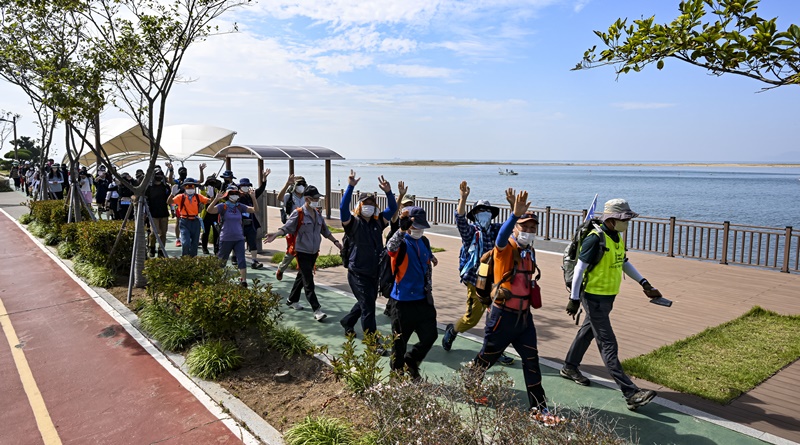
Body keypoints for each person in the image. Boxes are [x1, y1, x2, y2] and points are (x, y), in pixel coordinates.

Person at [561, 198, 659, 411]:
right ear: (612, 219)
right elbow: (579, 269)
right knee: (608, 344)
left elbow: (622, 261)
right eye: (625, 219)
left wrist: (644, 283)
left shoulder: (616, 237)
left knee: (587, 331)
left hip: (607, 298)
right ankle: (631, 393)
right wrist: (574, 299)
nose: (627, 223)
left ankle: (569, 367)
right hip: (592, 298)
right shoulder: (594, 239)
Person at [470, 190, 550, 414]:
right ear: (516, 228)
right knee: (487, 357)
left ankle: (539, 408)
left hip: (524, 320)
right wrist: (514, 215)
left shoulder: (529, 251)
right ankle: (471, 382)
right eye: (524, 227)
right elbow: (500, 238)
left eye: (533, 228)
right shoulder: (504, 249)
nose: (529, 231)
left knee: (531, 361)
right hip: (502, 316)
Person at [442, 181, 515, 366]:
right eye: (480, 211)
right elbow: (459, 219)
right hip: (476, 282)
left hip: (496, 282)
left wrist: (514, 206)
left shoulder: (497, 230)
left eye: (487, 211)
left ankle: (494, 352)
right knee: (472, 319)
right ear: (474, 215)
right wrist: (463, 198)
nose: (484, 214)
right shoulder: (471, 233)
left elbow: (512, 226)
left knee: (497, 318)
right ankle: (453, 330)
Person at [264, 185, 343, 322]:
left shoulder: (317, 214)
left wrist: (336, 242)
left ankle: (291, 299)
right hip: (302, 251)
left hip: (314, 252)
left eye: (318, 198)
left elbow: (325, 231)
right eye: (315, 198)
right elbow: (287, 227)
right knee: (308, 281)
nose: (318, 200)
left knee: (302, 276)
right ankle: (316, 309)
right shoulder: (298, 213)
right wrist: (276, 234)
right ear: (308, 199)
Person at [338, 170, 397, 338]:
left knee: (367, 302)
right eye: (366, 203)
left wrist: (388, 192)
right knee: (368, 307)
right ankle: (372, 342)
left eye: (372, 203)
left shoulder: (379, 221)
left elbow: (393, 208)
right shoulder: (352, 223)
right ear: (360, 205)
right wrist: (350, 186)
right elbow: (343, 207)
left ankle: (348, 321)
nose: (369, 206)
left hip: (374, 271)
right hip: (357, 272)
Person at [385, 206, 437, 379]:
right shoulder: (402, 241)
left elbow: (426, 255)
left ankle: (411, 360)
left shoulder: (425, 241)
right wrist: (401, 229)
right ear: (408, 225)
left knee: (431, 335)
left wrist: (432, 258)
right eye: (416, 226)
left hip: (423, 299)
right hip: (402, 301)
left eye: (422, 226)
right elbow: (390, 248)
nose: (419, 230)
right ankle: (397, 374)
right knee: (399, 342)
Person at [207, 185, 257, 287]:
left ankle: (243, 281)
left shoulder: (240, 206)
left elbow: (255, 209)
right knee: (222, 261)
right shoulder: (223, 206)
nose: (234, 196)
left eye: (236, 194)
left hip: (239, 238)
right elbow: (210, 210)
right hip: (226, 238)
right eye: (232, 194)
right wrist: (216, 199)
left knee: (241, 260)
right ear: (228, 195)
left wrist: (253, 197)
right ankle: (217, 280)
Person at [274, 174, 308, 280]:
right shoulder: (289, 196)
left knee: (306, 250)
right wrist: (287, 184)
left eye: (303, 184)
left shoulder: (307, 196)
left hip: (306, 227)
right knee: (292, 251)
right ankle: (281, 268)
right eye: (299, 184)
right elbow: (279, 197)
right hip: (292, 227)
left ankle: (302, 271)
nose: (301, 186)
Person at [236, 169, 271, 269]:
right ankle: (236, 258)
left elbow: (261, 189)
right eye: (244, 186)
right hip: (239, 224)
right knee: (238, 241)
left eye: (248, 186)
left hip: (251, 223)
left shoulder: (252, 195)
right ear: (240, 187)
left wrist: (264, 180)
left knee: (252, 242)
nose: (246, 188)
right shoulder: (235, 196)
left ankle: (254, 261)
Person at [169, 177, 210, 257]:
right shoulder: (180, 197)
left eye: (192, 186)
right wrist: (172, 194)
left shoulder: (198, 196)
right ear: (184, 187)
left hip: (195, 221)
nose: (190, 188)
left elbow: (209, 201)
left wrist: (211, 196)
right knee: (185, 242)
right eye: (188, 186)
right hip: (184, 221)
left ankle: (192, 260)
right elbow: (169, 202)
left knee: (195, 243)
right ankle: (185, 259)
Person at [144, 170, 171, 257]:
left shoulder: (166, 187)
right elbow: (146, 200)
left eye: (160, 175)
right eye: (157, 175)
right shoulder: (149, 187)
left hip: (164, 213)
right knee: (153, 232)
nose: (159, 176)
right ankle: (151, 248)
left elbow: (170, 200)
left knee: (163, 233)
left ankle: (161, 250)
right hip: (153, 214)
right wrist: (145, 212)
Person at [200, 174, 223, 255]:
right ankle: (204, 248)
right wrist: (209, 196)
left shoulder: (217, 191)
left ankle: (216, 249)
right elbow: (204, 200)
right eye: (210, 181)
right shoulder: (204, 191)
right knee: (205, 232)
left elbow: (221, 200)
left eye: (213, 181)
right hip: (206, 215)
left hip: (215, 215)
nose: (211, 183)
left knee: (216, 232)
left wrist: (216, 196)